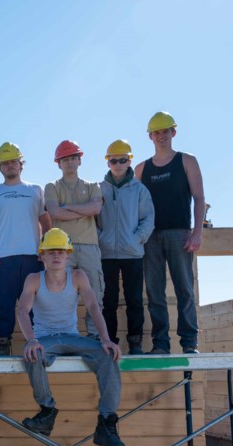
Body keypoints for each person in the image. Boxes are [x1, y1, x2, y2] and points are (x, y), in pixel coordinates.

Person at [17, 228, 126, 446]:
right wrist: (31, 340)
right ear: (42, 256)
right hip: (46, 340)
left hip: (72, 338)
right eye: (51, 251)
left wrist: (105, 339)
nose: (56, 256)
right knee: (32, 353)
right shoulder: (34, 279)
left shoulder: (77, 276)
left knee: (108, 355)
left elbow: (94, 306)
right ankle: (47, 411)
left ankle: (107, 423)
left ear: (68, 255)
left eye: (61, 251)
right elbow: (22, 310)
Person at [134, 111, 206, 355]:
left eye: (165, 131)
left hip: (180, 234)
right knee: (155, 293)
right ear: (150, 136)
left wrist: (197, 232)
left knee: (184, 289)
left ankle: (189, 343)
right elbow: (135, 207)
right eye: (156, 132)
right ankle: (161, 344)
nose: (161, 136)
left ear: (173, 132)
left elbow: (198, 197)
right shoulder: (142, 169)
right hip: (150, 237)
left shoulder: (186, 161)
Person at [0, 142, 52, 355]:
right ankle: (3, 343)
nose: (10, 166)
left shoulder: (36, 190)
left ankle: (40, 343)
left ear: (21, 165)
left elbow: (46, 221)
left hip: (33, 257)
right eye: (5, 163)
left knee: (35, 306)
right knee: (3, 305)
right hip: (2, 259)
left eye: (13, 162)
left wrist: (45, 249)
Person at [98, 140, 155, 354]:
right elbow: (91, 220)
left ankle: (135, 343)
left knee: (134, 301)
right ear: (108, 162)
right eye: (114, 160)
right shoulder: (100, 189)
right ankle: (110, 342)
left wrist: (136, 239)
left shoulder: (139, 190)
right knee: (108, 301)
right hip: (106, 254)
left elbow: (148, 218)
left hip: (133, 254)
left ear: (129, 160)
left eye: (123, 160)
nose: (118, 164)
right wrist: (100, 237)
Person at [44, 140, 105, 337]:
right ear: (58, 163)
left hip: (89, 247)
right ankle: (63, 335)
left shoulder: (93, 186)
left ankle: (95, 337)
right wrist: (83, 210)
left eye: (73, 158)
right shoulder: (52, 187)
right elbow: (55, 212)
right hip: (61, 250)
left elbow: (95, 209)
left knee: (94, 295)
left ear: (79, 161)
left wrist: (67, 208)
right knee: (60, 294)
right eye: (65, 159)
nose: (69, 162)